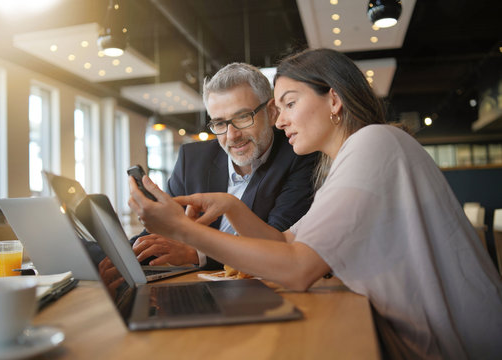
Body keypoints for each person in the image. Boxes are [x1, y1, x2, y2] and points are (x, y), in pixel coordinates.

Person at [129, 48, 502, 359]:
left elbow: (298, 269)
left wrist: (183, 229)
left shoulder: (375, 142)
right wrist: (231, 205)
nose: (280, 122)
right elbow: (286, 244)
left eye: (289, 104)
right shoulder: (345, 162)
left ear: (334, 99)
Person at [130, 62, 317, 269]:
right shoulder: (191, 159)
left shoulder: (299, 155)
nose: (232, 135)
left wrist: (196, 254)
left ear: (272, 112)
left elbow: (277, 246)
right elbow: (159, 235)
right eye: (219, 123)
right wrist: (124, 257)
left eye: (243, 117)